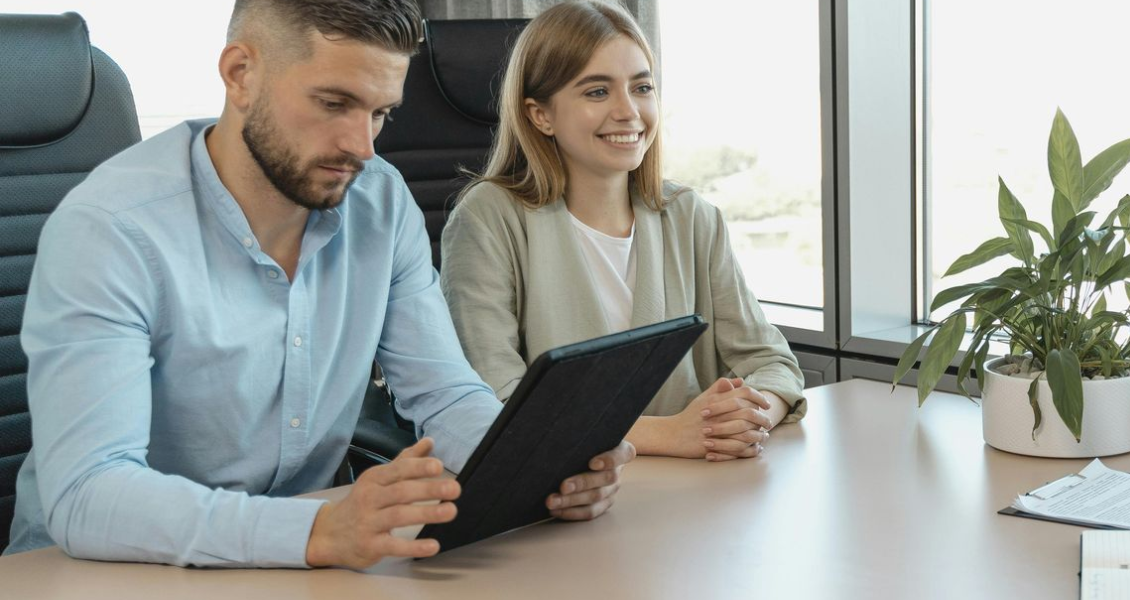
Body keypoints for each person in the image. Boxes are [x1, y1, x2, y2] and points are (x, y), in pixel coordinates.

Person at [3, 0, 633, 569]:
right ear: (240, 74)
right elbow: (89, 493)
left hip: (297, 561)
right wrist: (318, 530)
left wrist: (535, 472)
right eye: (333, 103)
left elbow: (443, 394)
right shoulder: (113, 230)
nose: (361, 146)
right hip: (92, 571)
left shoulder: (380, 200)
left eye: (381, 113)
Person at [441, 0, 806, 463]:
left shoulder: (691, 215)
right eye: (597, 92)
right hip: (566, 491)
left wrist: (750, 417)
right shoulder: (489, 218)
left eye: (642, 87)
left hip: (695, 486)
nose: (628, 111)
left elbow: (771, 362)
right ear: (540, 115)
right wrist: (670, 435)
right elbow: (495, 400)